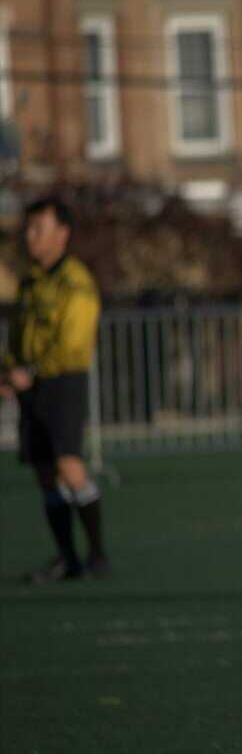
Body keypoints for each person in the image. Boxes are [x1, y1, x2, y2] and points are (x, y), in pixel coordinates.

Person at [0, 197, 108, 583]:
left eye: (38, 229)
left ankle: (97, 554)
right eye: (29, 229)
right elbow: (18, 333)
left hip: (62, 381)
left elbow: (73, 343)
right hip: (30, 383)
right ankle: (67, 557)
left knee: (68, 463)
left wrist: (32, 371)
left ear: (62, 234)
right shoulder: (32, 279)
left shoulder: (75, 282)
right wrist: (8, 371)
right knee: (45, 472)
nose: (31, 237)